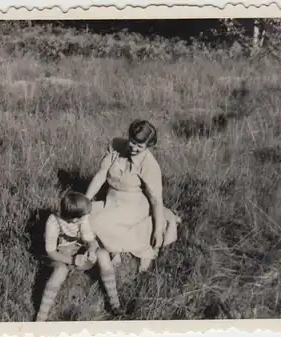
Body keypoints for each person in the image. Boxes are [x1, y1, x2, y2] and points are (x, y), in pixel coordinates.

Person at [85, 119, 181, 273]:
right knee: (84, 217)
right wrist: (86, 199)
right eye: (132, 142)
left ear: (149, 146)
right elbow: (101, 174)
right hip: (111, 199)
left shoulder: (149, 165)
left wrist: (157, 231)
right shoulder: (116, 145)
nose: (133, 148)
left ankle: (119, 249)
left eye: (139, 146)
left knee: (99, 223)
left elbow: (156, 200)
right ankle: (114, 250)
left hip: (132, 204)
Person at [35, 191, 122, 322]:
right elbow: (51, 252)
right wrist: (72, 260)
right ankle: (41, 317)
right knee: (60, 271)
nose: (86, 218)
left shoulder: (82, 219)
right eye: (83, 216)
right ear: (74, 218)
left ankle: (115, 304)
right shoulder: (53, 223)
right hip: (59, 255)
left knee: (103, 254)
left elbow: (89, 239)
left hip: (77, 250)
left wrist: (92, 249)